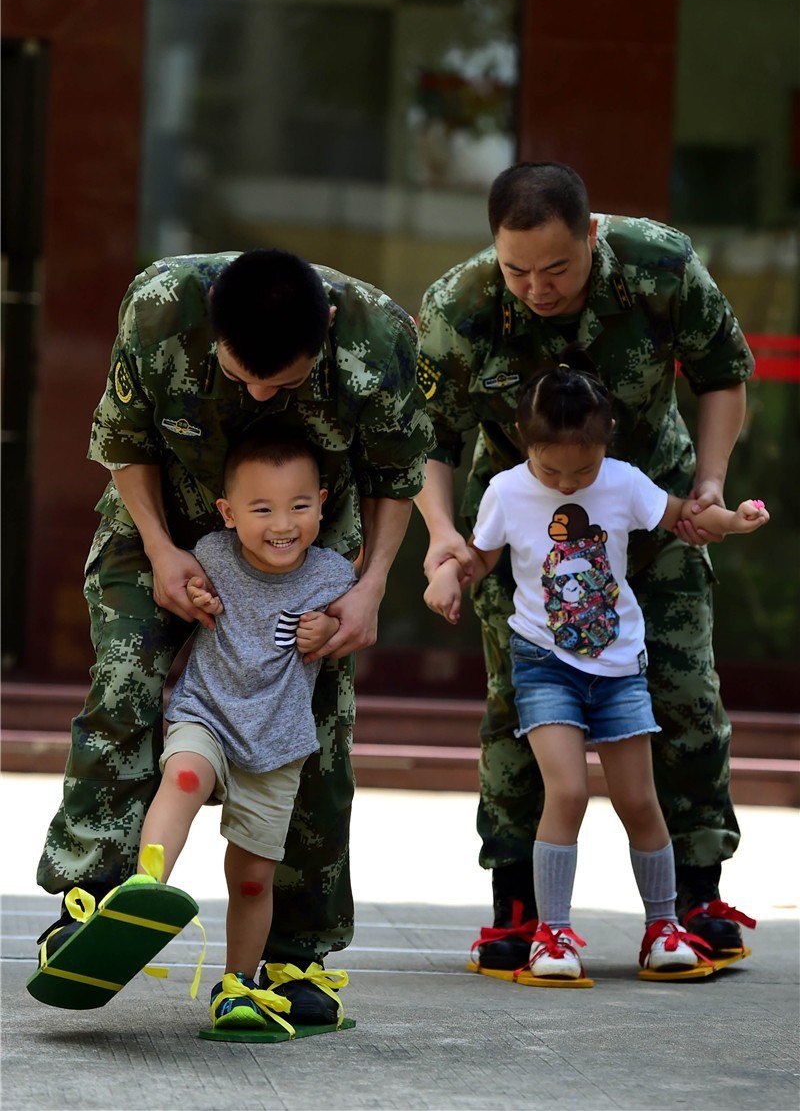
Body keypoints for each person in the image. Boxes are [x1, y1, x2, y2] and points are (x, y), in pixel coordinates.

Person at [37, 247, 435, 1020]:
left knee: (316, 729)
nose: (257, 394)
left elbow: (397, 475)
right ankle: (94, 896)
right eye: (240, 374)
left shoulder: (377, 337)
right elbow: (124, 443)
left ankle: (292, 958)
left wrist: (371, 586)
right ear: (213, 311)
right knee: (125, 678)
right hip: (165, 514)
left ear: (323, 331)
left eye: (281, 383)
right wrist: (160, 549)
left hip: (306, 542)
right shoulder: (160, 308)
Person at [414, 161, 758, 971]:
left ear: (592, 237)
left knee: (682, 695)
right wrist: (442, 533)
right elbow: (431, 435)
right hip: (529, 532)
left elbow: (721, 372)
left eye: (557, 269)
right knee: (520, 714)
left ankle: (696, 899)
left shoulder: (658, 265)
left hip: (657, 517)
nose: (536, 287)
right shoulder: (460, 306)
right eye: (517, 270)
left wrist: (709, 484)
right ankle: (519, 908)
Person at [138, 435, 356, 1029]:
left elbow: (349, 626)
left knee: (254, 878)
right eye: (261, 509)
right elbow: (186, 591)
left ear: (321, 503)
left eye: (299, 506)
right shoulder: (211, 553)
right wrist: (197, 592)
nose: (282, 524)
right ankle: (142, 890)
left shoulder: (334, 573)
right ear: (229, 514)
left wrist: (326, 630)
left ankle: (238, 985)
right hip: (206, 713)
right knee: (182, 775)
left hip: (277, 741)